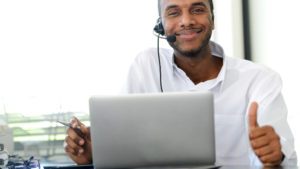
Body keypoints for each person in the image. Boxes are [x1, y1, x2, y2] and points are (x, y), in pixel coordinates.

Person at [63, 0, 297, 166]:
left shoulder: (260, 80)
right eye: (173, 12)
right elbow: (124, 152)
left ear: (212, 20)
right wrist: (96, 155)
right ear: (161, 26)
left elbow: (281, 157)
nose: (186, 21)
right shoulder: (145, 66)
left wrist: (275, 159)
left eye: (197, 9)